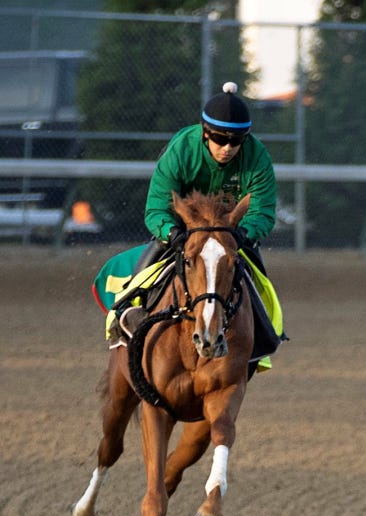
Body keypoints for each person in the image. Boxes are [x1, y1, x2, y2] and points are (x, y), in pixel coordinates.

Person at [107, 81, 283, 368]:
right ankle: (126, 310)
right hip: (183, 231)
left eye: (236, 142)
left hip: (231, 235)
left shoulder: (258, 156)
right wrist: (171, 232)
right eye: (220, 139)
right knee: (148, 268)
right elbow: (157, 208)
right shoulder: (181, 150)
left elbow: (262, 212)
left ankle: (263, 336)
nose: (227, 148)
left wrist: (244, 233)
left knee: (259, 280)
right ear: (205, 132)